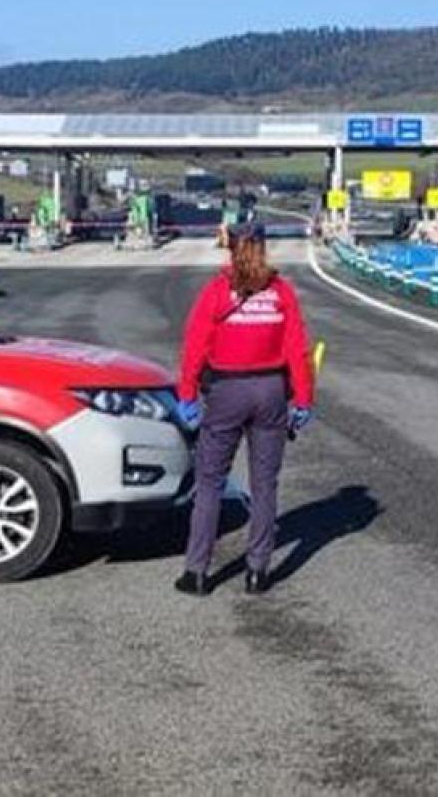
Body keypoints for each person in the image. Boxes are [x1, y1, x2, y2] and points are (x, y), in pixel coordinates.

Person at [174, 221, 314, 596]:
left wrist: (186, 394)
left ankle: (197, 571)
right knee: (264, 484)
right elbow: (297, 351)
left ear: (232, 248)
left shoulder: (218, 291)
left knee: (209, 483)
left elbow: (195, 347)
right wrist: (303, 399)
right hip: (271, 391)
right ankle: (258, 570)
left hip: (226, 390)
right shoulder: (281, 292)